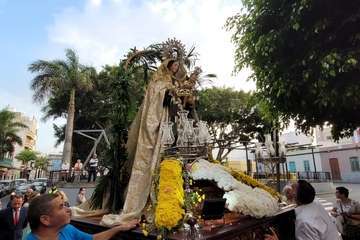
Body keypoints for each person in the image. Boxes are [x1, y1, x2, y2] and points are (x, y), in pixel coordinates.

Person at [26, 193, 138, 240]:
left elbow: (94, 239)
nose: (68, 209)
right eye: (61, 207)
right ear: (45, 220)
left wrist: (119, 228)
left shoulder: (67, 230)